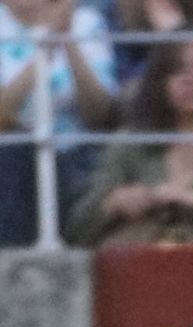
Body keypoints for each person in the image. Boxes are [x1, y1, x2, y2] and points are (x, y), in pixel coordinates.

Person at [66, 41, 193, 244]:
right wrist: (114, 203)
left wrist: (192, 201)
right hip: (146, 259)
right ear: (159, 81)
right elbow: (76, 229)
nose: (191, 80)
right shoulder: (131, 143)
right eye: (177, 70)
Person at [0, 0, 117, 246]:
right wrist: (46, 47)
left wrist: (68, 41)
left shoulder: (86, 22)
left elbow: (101, 116)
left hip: (79, 151)